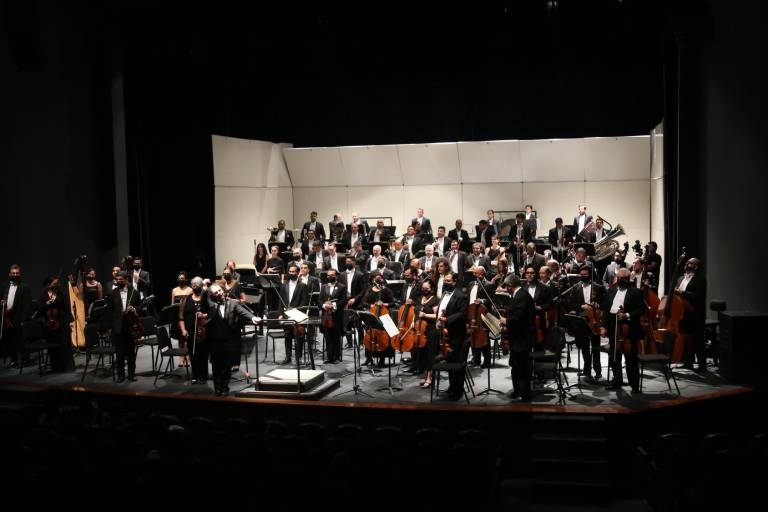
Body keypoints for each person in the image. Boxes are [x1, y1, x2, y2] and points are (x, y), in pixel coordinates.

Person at [205, 283, 260, 396]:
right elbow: (202, 299)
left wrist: (253, 317)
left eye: (220, 290)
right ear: (212, 295)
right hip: (214, 341)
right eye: (216, 292)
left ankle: (225, 387)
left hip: (228, 339)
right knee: (216, 366)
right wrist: (206, 289)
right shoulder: (209, 305)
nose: (219, 293)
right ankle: (217, 388)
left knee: (227, 365)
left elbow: (242, 311)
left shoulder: (232, 303)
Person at [601, 268, 646, 393]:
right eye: (619, 278)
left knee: (630, 359)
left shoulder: (636, 292)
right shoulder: (611, 290)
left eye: (624, 278)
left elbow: (641, 310)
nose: (621, 280)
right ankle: (616, 382)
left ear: (628, 279)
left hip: (628, 329)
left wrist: (627, 315)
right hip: (613, 327)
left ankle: (634, 386)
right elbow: (605, 310)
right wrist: (603, 326)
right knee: (614, 358)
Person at [499, 275, 534, 401]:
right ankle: (517, 390)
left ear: (510, 286)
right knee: (515, 366)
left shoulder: (521, 296)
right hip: (517, 338)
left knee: (522, 368)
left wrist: (506, 321)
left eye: (506, 287)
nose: (505, 289)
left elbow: (519, 318)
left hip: (522, 339)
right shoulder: (519, 295)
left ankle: (525, 396)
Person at [568, 266, 605, 381]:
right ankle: (586, 370)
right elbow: (570, 303)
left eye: (585, 274)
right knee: (584, 347)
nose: (583, 276)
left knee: (595, 346)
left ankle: (598, 371)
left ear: (590, 275)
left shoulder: (598, 288)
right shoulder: (575, 288)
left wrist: (599, 305)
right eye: (582, 275)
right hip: (582, 321)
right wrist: (580, 306)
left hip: (594, 319)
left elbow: (605, 302)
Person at [434, 272, 468, 400]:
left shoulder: (461, 296)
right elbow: (442, 309)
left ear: (455, 281)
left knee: (456, 362)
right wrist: (438, 320)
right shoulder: (444, 294)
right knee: (449, 361)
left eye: (448, 281)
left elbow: (462, 314)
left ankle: (458, 391)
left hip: (456, 335)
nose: (445, 283)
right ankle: (452, 386)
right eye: (445, 281)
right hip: (445, 334)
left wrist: (445, 320)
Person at [674, 256, 707, 372]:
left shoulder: (700, 279)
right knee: (686, 339)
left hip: (694, 313)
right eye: (687, 262)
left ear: (696, 267)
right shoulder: (680, 278)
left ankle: (702, 365)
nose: (686, 264)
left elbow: (698, 296)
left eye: (690, 263)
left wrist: (682, 292)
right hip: (682, 313)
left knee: (697, 339)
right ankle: (688, 362)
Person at [107, 271, 141, 381]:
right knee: (119, 353)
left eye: (121, 279)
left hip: (130, 325)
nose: (118, 281)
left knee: (131, 352)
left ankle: (132, 374)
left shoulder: (134, 292)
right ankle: (120, 375)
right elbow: (110, 310)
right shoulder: (112, 293)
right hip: (118, 326)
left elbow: (140, 306)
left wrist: (134, 309)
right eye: (117, 280)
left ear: (126, 280)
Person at [178, 277, 210, 384]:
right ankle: (195, 375)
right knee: (193, 354)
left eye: (196, 284)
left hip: (204, 331)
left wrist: (204, 315)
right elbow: (181, 317)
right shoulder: (186, 299)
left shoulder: (206, 298)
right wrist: (183, 330)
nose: (194, 286)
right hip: (190, 331)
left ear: (201, 286)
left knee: (203, 354)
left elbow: (212, 313)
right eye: (193, 284)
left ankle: (203, 376)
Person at [1, 265, 32, 368]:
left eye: (17, 273)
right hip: (7, 316)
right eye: (13, 273)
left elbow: (27, 305)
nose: (15, 275)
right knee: (11, 340)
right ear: (10, 274)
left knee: (20, 340)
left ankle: (24, 360)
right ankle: (14, 359)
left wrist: (23, 320)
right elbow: (3, 298)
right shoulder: (5, 286)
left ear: (20, 274)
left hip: (19, 317)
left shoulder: (25, 287)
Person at [278, 264, 310, 365]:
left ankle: (298, 358)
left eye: (293, 272)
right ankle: (288, 357)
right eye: (290, 271)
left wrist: (296, 313)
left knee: (298, 338)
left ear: (297, 272)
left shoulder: (303, 286)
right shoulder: (284, 285)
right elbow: (281, 301)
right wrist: (280, 314)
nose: (291, 273)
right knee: (287, 336)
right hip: (286, 316)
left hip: (298, 316)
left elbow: (304, 302)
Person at [467, 266, 494, 368]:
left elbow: (491, 300)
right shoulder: (471, 284)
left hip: (482, 314)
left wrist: (482, 301)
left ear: (482, 274)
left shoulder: (489, 285)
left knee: (484, 338)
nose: (474, 275)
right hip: (471, 312)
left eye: (476, 274)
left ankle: (487, 361)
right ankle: (476, 359)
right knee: (473, 335)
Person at [319, 269, 347, 364]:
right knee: (327, 336)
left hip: (337, 316)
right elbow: (320, 300)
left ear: (336, 276)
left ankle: (336, 357)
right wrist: (324, 305)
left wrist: (333, 306)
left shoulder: (342, 287)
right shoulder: (323, 287)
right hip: (326, 315)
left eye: (332, 275)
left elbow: (343, 301)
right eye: (328, 275)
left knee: (336, 336)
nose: (330, 276)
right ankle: (329, 357)